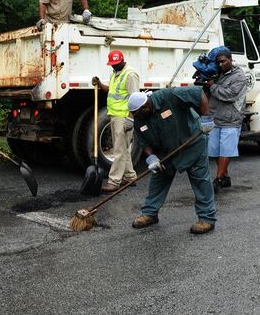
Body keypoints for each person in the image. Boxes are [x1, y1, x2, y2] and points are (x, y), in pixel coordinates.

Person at [128, 88, 217, 234]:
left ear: (144, 107)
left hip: (191, 144)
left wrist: (207, 118)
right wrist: (151, 157)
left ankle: (207, 218)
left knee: (200, 181)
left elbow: (198, 93)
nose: (134, 117)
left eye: (136, 114)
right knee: (158, 180)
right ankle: (150, 213)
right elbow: (144, 141)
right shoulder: (139, 117)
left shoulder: (168, 96)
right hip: (166, 153)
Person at [92, 50, 139, 192]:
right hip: (114, 115)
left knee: (118, 150)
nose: (114, 67)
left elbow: (135, 99)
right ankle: (130, 176)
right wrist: (100, 84)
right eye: (112, 64)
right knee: (122, 147)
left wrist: (130, 119)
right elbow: (112, 91)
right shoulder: (115, 73)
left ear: (122, 61)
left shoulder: (130, 75)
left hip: (124, 117)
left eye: (116, 64)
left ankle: (114, 181)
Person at [204, 47, 247, 192]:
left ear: (230, 60)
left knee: (225, 151)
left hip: (231, 119)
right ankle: (225, 176)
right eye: (218, 62)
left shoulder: (239, 76)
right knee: (215, 151)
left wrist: (212, 86)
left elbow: (230, 95)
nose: (221, 64)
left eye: (223, 61)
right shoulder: (217, 74)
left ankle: (217, 180)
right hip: (216, 117)